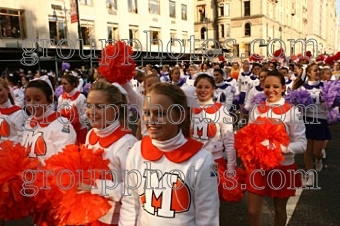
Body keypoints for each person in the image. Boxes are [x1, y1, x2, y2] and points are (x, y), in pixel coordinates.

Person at [119, 83, 219, 226]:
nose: (150, 119)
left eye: (160, 113)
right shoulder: (136, 150)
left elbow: (208, 216)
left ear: (180, 116)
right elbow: (130, 204)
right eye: (147, 113)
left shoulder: (202, 160)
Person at [246, 70, 307, 226]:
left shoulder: (292, 111)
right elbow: (249, 136)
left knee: (279, 210)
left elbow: (302, 144)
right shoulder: (256, 110)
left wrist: (279, 148)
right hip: (258, 166)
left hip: (283, 167)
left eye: (275, 86)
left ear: (283, 88)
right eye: (267, 86)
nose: (270, 90)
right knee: (252, 211)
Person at [81, 81, 138, 226]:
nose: (91, 112)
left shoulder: (127, 144)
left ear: (116, 109)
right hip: (90, 213)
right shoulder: (91, 134)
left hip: (114, 219)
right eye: (89, 105)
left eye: (99, 107)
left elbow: (131, 190)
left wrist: (95, 187)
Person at [191, 73, 236, 202]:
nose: (203, 90)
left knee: (212, 200)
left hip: (214, 162)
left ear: (213, 89)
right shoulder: (188, 108)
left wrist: (231, 166)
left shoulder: (221, 110)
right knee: (192, 200)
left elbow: (229, 140)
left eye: (207, 87)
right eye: (199, 87)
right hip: (192, 161)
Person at [22, 75, 77, 165]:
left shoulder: (61, 125)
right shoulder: (29, 123)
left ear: (50, 99)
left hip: (49, 177)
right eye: (28, 99)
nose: (31, 104)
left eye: (37, 99)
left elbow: (64, 161)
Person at [294, 63, 332, 182]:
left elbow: (331, 103)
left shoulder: (326, 86)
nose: (318, 72)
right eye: (315, 70)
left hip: (320, 119)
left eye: (319, 70)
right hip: (306, 119)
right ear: (309, 73)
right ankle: (310, 174)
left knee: (316, 152)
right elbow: (295, 101)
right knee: (307, 151)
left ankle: (319, 158)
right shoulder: (302, 88)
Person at [58, 71, 88, 144]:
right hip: (66, 130)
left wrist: (78, 119)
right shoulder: (61, 97)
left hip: (80, 130)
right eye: (62, 83)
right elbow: (59, 112)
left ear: (73, 84)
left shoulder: (81, 97)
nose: (63, 86)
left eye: (65, 84)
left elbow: (87, 113)